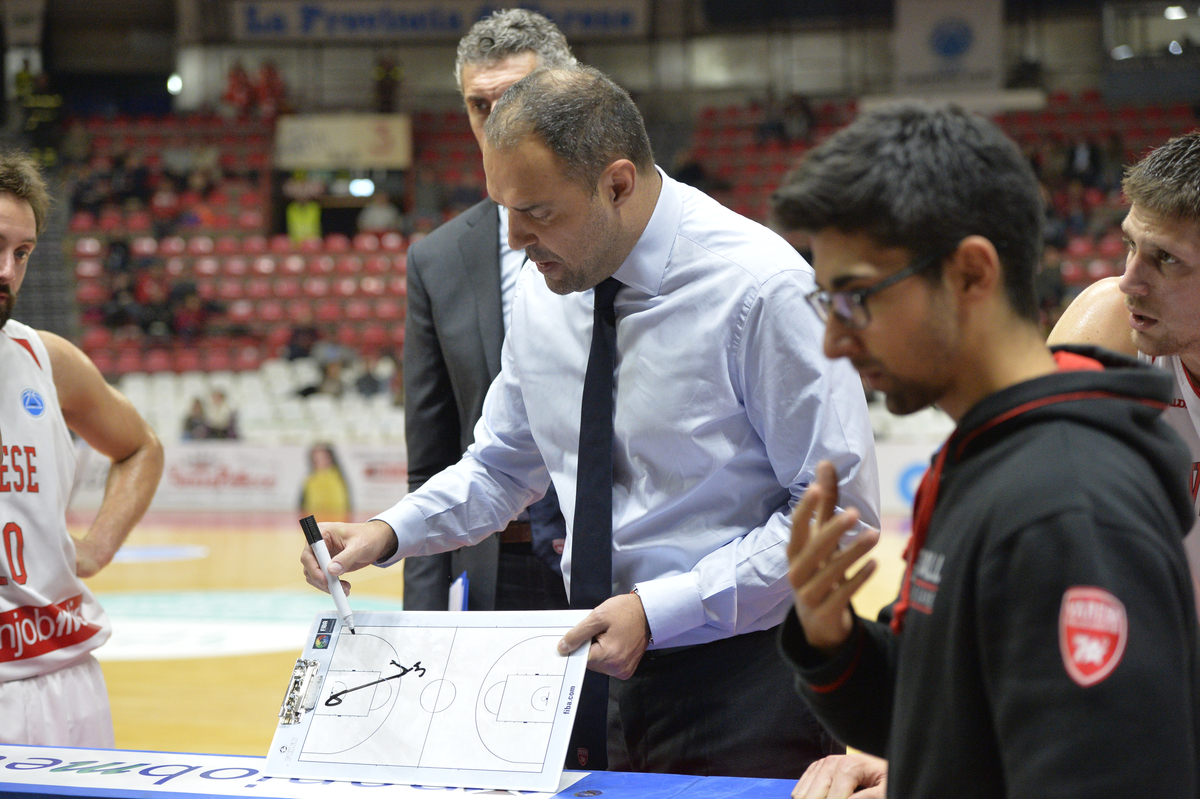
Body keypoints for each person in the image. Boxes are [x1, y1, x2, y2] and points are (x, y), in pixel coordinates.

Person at [302, 65, 878, 778]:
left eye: (538, 213)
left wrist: (660, 610)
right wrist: (389, 531)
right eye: (503, 209)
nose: (515, 238)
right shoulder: (545, 286)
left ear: (618, 185)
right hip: (588, 671)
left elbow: (837, 517)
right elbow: (501, 468)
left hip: (747, 681)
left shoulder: (763, 289)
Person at [770, 102, 1200, 798]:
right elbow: (948, 705)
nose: (835, 340)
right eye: (828, 304)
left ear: (971, 274)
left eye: (857, 298)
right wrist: (834, 642)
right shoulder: (989, 455)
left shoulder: (1067, 502)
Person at [400, 9, 579, 619]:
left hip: (624, 562)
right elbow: (430, 462)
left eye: (516, 99)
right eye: (481, 106)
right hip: (495, 564)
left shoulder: (631, 230)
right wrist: (422, 621)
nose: (498, 123)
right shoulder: (438, 260)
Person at [0, 151, 164, 746]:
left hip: (62, 676)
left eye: (22, 253)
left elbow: (140, 447)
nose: (7, 271)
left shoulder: (46, 359)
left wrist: (96, 547)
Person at [1048, 131, 1200, 616]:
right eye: (1131, 245)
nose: (1130, 281)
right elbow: (1015, 479)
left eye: (1166, 259)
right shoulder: (1109, 321)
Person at [301, 443, 350, 519]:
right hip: (314, 519)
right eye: (316, 459)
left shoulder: (337, 477)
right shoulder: (309, 479)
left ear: (330, 458)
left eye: (323, 458)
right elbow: (303, 503)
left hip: (336, 518)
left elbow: (345, 503)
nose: (320, 462)